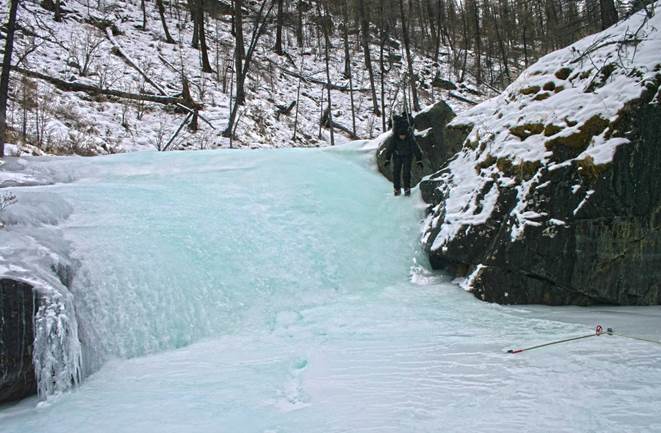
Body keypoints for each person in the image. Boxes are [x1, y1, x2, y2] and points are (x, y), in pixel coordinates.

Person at [384, 113, 423, 196]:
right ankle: (397, 189)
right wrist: (387, 159)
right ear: (398, 134)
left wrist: (419, 159)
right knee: (396, 172)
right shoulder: (395, 138)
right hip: (397, 155)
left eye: (403, 136)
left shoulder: (409, 137)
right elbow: (390, 148)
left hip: (407, 156)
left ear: (406, 134)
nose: (402, 137)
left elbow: (415, 148)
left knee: (406, 173)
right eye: (401, 136)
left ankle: (407, 188)